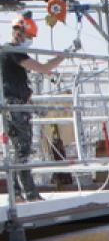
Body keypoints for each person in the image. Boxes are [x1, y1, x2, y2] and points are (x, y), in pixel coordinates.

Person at [1, 13, 68, 201]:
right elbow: (43, 69)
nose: (25, 38)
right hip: (15, 107)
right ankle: (29, 193)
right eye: (25, 34)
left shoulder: (8, 53)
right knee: (22, 149)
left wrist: (32, 104)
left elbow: (16, 82)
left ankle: (17, 194)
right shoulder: (13, 52)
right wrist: (61, 58)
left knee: (16, 150)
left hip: (12, 105)